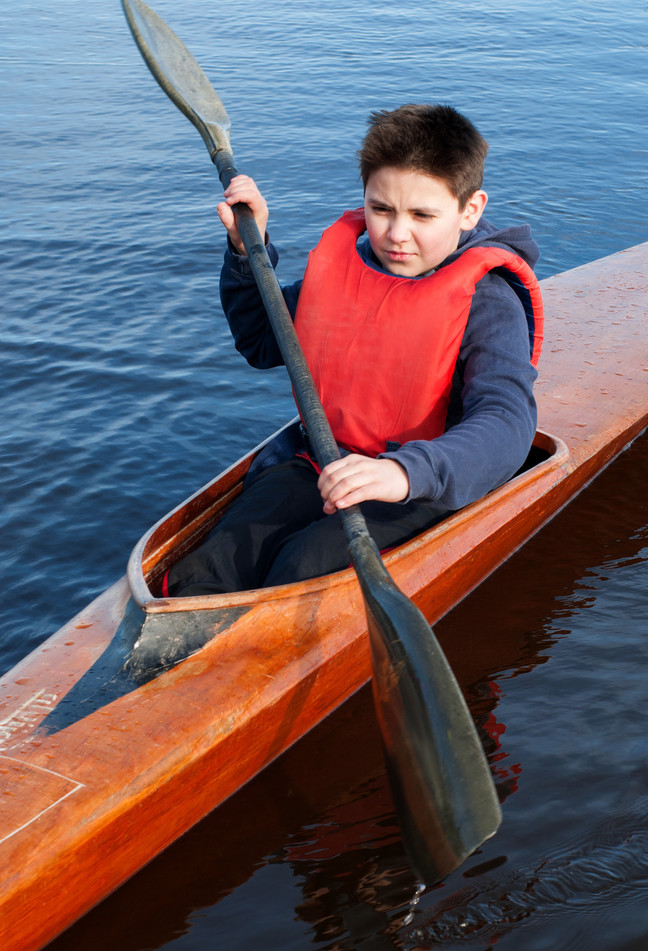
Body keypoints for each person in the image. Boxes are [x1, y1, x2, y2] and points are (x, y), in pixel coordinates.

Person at [164, 104, 543, 597]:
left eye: (422, 215)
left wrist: (401, 472)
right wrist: (246, 250)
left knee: (302, 565)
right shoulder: (350, 266)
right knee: (214, 563)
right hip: (322, 460)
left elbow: (507, 422)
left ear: (469, 210)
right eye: (381, 209)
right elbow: (260, 341)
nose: (396, 234)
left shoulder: (488, 302)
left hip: (424, 484)